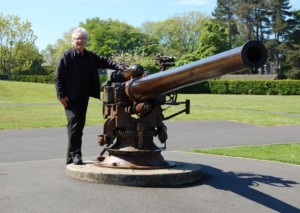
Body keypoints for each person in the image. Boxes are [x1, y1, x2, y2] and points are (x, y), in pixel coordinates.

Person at [55, 27, 126, 165]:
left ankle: (70, 158)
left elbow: (106, 61)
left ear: (86, 41)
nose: (79, 41)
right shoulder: (66, 56)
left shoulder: (90, 56)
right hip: (70, 98)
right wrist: (61, 95)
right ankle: (76, 155)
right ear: (72, 41)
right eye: (77, 39)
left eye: (82, 39)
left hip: (83, 97)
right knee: (74, 124)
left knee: (78, 127)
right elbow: (58, 78)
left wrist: (120, 66)